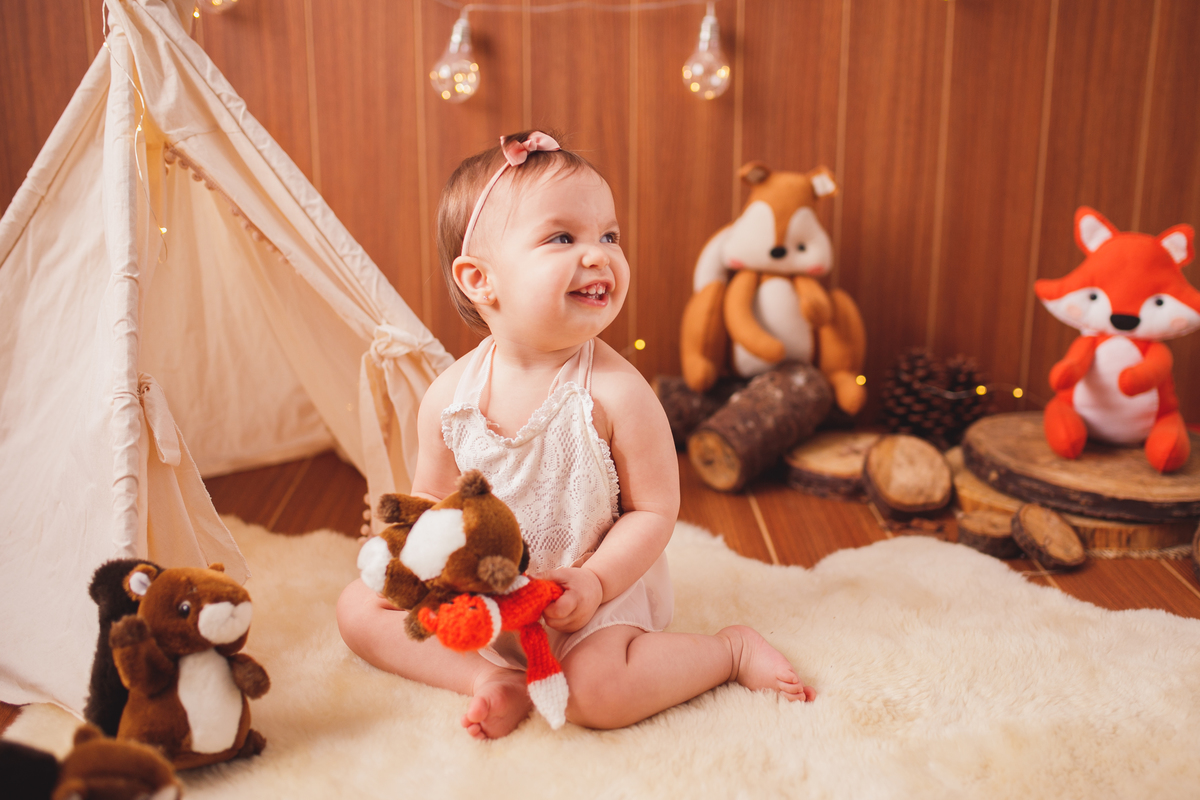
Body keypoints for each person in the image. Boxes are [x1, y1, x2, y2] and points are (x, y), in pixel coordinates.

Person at [337, 131, 815, 740]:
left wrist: (596, 581)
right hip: (488, 598)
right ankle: (491, 680)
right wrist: (414, 568)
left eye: (608, 236)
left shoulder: (617, 394)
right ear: (480, 279)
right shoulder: (450, 397)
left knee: (596, 696)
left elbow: (654, 509)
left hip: (590, 598)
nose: (599, 255)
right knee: (357, 607)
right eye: (563, 237)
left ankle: (728, 653)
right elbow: (432, 504)